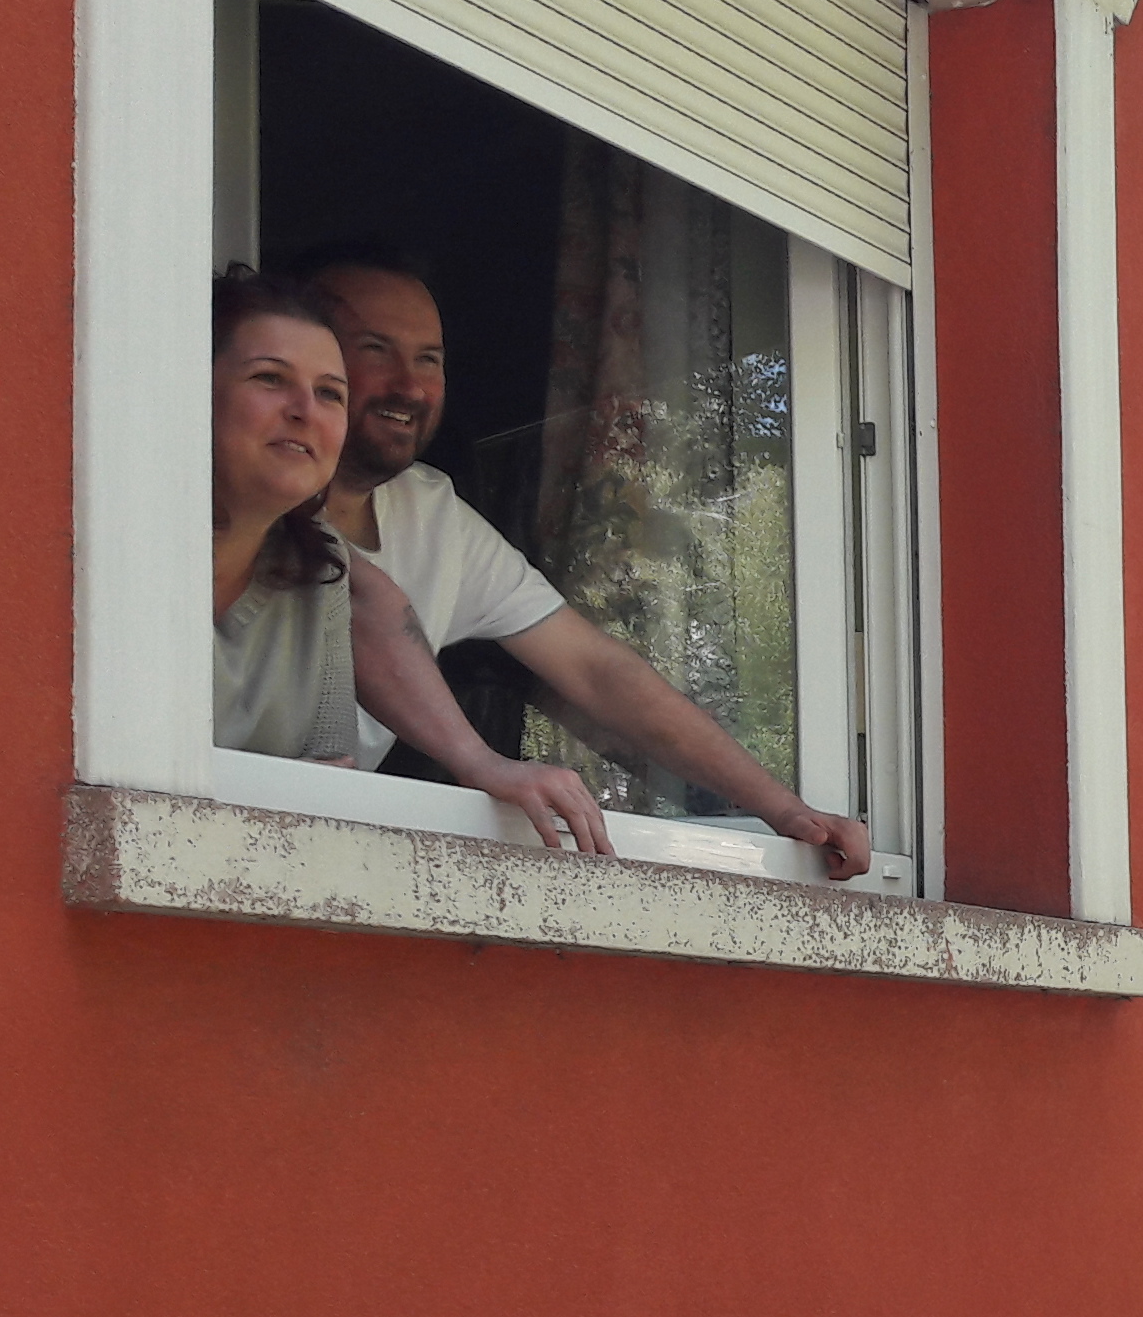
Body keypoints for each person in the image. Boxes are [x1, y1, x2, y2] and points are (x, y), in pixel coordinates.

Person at [291, 245, 876, 879]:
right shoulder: (244, 494)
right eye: (375, 350)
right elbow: (362, 608)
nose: (409, 385)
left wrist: (784, 811)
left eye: (429, 359)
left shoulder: (431, 511)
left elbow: (597, 671)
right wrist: (483, 763)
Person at [208, 273, 608, 851]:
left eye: (330, 393)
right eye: (270, 378)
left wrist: (483, 764)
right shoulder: (118, 549)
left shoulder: (321, 582)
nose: (304, 410)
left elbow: (325, 784)